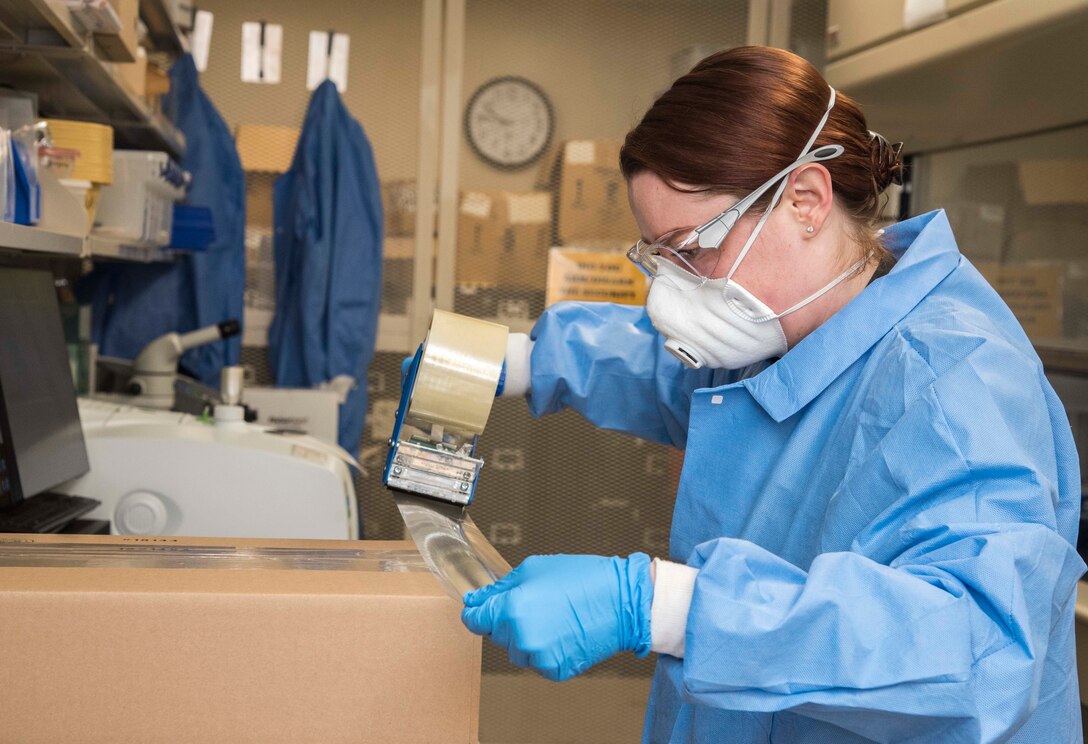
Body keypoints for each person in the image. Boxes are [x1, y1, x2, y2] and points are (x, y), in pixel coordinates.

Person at [459, 46, 1085, 743]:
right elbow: (669, 368)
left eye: (692, 252)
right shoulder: (786, 329)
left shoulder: (954, 380)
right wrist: (518, 360)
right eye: (658, 258)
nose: (672, 295)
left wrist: (666, 608)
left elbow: (978, 648)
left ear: (807, 201)